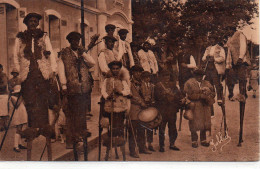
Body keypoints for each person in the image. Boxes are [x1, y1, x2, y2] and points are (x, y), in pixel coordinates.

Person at [13, 13, 57, 160]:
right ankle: (31, 131)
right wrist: (20, 73)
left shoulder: (44, 36)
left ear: (38, 23)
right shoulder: (20, 38)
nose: (33, 23)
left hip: (42, 74)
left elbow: (51, 55)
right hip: (28, 75)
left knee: (44, 101)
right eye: (30, 21)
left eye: (35, 21)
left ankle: (45, 129)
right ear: (26, 23)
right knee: (30, 103)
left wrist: (53, 71)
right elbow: (15, 57)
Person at [58, 31, 96, 150]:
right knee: (71, 116)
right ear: (69, 41)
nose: (76, 42)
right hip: (71, 89)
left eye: (77, 40)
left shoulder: (82, 53)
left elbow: (92, 63)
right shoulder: (64, 53)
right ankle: (70, 141)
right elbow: (61, 70)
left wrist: (84, 53)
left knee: (81, 115)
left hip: (83, 89)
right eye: (73, 40)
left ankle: (79, 137)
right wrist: (63, 86)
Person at [101, 61, 130, 160]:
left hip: (120, 108)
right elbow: (103, 90)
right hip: (109, 108)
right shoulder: (107, 80)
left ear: (120, 69)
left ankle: (121, 151)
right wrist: (107, 96)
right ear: (111, 69)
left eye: (117, 68)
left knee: (119, 129)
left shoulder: (123, 80)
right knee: (110, 130)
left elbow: (127, 91)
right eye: (113, 68)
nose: (115, 70)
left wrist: (120, 92)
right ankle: (109, 151)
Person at [184, 69, 215, 148]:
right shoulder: (189, 83)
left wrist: (209, 95)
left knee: (205, 123)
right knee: (194, 122)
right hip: (195, 105)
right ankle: (194, 140)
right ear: (195, 76)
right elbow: (189, 95)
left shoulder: (207, 83)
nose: (200, 77)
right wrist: (200, 96)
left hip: (205, 106)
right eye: (198, 76)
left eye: (201, 76)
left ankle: (203, 139)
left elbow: (213, 93)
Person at [155, 70, 183, 152]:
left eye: (168, 76)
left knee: (173, 128)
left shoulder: (173, 85)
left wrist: (181, 99)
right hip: (162, 110)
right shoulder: (158, 86)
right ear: (161, 77)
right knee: (162, 128)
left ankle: (172, 143)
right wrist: (164, 94)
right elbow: (156, 97)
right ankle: (161, 145)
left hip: (172, 110)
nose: (167, 77)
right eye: (164, 76)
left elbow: (179, 95)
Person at [128, 65, 151, 158]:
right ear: (132, 73)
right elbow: (129, 96)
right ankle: (132, 150)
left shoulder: (143, 83)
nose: (138, 74)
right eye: (136, 72)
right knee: (133, 131)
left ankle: (142, 148)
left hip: (142, 110)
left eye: (139, 72)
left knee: (142, 129)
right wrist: (140, 101)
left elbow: (147, 93)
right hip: (133, 110)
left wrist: (147, 98)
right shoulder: (129, 83)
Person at [202, 37, 226, 106]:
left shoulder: (220, 48)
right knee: (208, 83)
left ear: (216, 40)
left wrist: (214, 59)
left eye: (213, 39)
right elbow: (203, 58)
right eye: (210, 39)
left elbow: (222, 58)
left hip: (216, 67)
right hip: (208, 67)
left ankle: (219, 97)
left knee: (217, 83)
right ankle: (211, 97)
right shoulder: (208, 48)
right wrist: (206, 57)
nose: (211, 40)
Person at [8, 85, 28, 152]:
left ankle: (19, 144)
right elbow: (16, 105)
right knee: (18, 129)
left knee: (20, 129)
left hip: (21, 114)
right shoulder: (12, 98)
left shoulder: (19, 98)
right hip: (17, 115)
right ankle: (15, 146)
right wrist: (21, 98)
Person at [140, 71, 156, 152]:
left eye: (149, 77)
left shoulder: (152, 86)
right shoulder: (140, 86)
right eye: (146, 77)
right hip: (143, 107)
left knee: (150, 126)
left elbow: (153, 96)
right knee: (143, 126)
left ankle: (150, 143)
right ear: (143, 78)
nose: (148, 79)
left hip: (150, 107)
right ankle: (143, 144)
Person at [0, 64, 9, 131]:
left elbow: (4, 85)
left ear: (2, 69)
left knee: (4, 110)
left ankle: (5, 125)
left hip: (3, 94)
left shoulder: (3, 75)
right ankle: (1, 125)